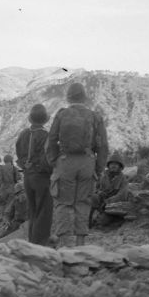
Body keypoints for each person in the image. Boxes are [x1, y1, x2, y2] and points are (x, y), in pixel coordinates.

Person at [46, 82, 108, 247]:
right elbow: (103, 146)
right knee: (83, 202)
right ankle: (80, 244)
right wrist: (98, 169)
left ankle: (64, 244)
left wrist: (54, 162)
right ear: (85, 97)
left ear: (68, 97)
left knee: (63, 203)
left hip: (65, 162)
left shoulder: (61, 114)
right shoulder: (95, 116)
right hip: (87, 162)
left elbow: (51, 140)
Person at [15, 103, 53, 246]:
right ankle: (40, 244)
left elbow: (18, 153)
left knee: (32, 210)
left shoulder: (23, 134)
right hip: (41, 177)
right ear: (44, 120)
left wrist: (25, 165)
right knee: (44, 210)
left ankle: (32, 241)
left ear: (31, 119)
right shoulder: (45, 135)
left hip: (27, 176)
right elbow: (48, 159)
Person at [90, 153, 129, 228]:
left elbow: (122, 195)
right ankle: (88, 221)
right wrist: (99, 192)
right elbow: (96, 188)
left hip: (114, 205)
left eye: (116, 164)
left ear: (120, 166)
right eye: (111, 164)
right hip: (102, 202)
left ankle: (111, 219)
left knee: (101, 222)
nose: (113, 166)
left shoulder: (123, 179)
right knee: (93, 197)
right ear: (108, 165)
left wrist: (109, 201)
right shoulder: (103, 176)